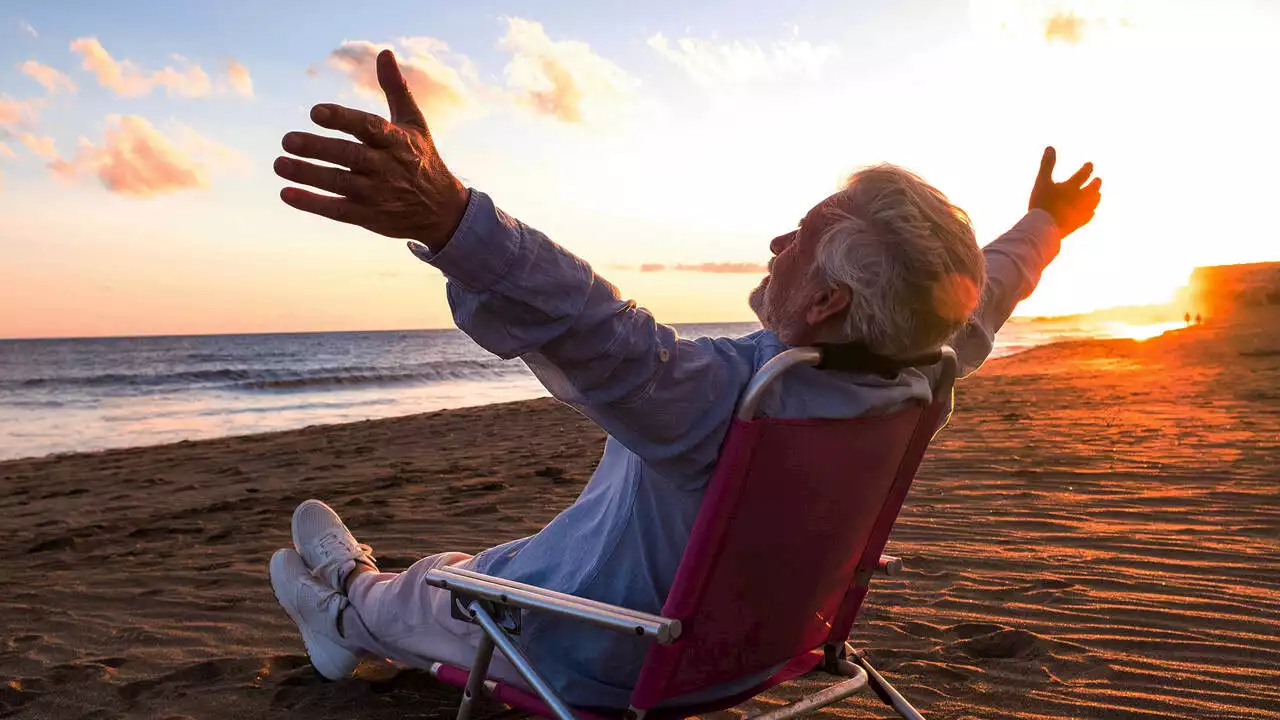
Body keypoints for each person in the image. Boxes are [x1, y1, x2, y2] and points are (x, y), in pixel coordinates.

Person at [267, 50, 1102, 708]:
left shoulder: (736, 403)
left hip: (601, 651)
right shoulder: (925, 367)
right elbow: (993, 283)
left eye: (803, 236)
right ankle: (369, 593)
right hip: (763, 647)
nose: (779, 240)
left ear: (823, 299)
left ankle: (340, 603)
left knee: (445, 593)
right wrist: (1047, 222)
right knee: (484, 565)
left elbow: (593, 325)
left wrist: (449, 216)